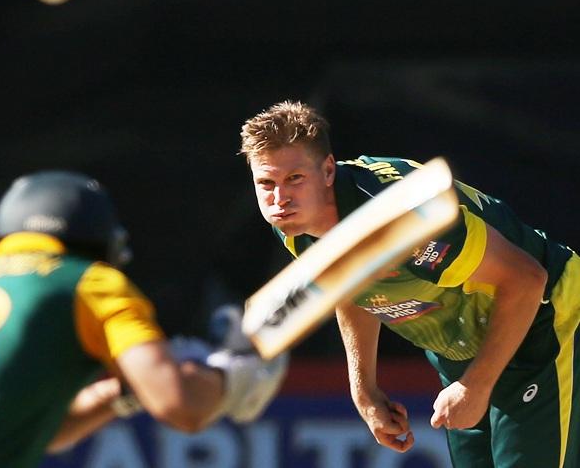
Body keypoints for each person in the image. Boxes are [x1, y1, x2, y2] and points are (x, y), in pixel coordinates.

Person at [239, 100, 580, 468]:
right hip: (465, 351)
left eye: (294, 179)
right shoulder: (293, 226)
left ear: (327, 171)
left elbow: (528, 280)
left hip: (543, 325)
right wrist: (363, 389)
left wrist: (475, 386)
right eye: (266, 183)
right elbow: (352, 285)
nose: (280, 198)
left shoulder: (403, 219)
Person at [0, 170, 287, 467]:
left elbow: (42, 431)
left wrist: (124, 390)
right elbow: (181, 404)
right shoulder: (90, 283)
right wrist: (232, 374)